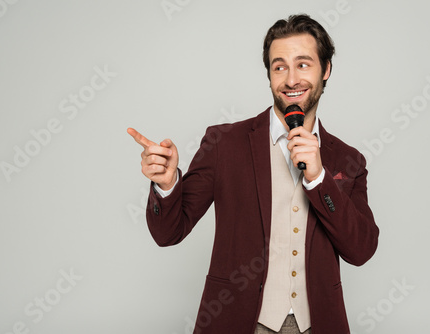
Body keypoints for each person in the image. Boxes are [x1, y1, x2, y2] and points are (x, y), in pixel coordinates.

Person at [128, 14, 379, 334]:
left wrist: (318, 178)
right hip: (238, 322)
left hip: (318, 324)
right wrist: (166, 185)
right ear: (269, 75)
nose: (291, 79)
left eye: (303, 64)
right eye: (279, 66)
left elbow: (361, 249)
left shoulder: (348, 159)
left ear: (326, 69)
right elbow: (169, 232)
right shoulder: (223, 143)